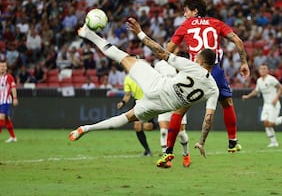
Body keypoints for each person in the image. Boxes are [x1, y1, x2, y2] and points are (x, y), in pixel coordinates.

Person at [69, 18, 219, 169]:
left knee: (123, 57)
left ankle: (88, 34)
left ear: (200, 61)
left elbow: (161, 52)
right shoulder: (213, 89)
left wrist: (140, 34)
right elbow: (209, 118)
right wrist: (201, 141)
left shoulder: (192, 66)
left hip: (156, 85)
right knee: (126, 118)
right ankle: (87, 128)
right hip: (160, 106)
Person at [165, 0, 250, 156]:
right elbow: (238, 41)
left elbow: (169, 47)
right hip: (214, 70)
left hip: (191, 71)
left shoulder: (185, 25)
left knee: (179, 111)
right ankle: (232, 142)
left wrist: (172, 65)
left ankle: (168, 152)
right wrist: (244, 62)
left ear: (195, 11)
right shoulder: (216, 23)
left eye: (186, 11)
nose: (184, 15)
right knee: (227, 103)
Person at [241, 63, 282, 147]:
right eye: (261, 69)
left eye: (264, 68)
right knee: (266, 123)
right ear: (259, 70)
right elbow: (256, 91)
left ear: (267, 70)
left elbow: (281, 88)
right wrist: (247, 96)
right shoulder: (259, 81)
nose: (263, 70)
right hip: (266, 105)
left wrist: (276, 98)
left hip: (274, 104)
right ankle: (273, 142)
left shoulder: (271, 79)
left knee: (270, 123)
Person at [154, 59, 190, 167]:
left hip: (178, 101)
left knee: (180, 133)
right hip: (163, 100)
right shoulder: (159, 65)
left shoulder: (181, 62)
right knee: (164, 131)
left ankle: (186, 154)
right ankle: (166, 158)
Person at [117, 74, 154, 156]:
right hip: (138, 102)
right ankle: (147, 150)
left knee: (148, 126)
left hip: (148, 100)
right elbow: (127, 95)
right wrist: (122, 103)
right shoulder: (127, 78)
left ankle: (157, 124)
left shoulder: (143, 73)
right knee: (137, 126)